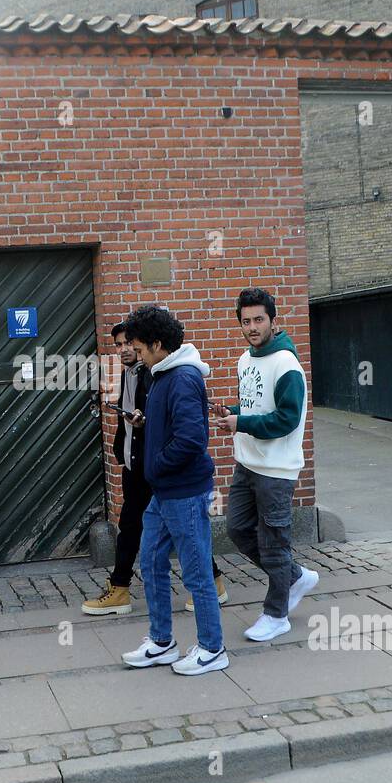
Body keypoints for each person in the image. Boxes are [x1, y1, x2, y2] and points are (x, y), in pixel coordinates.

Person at [83, 322, 225, 616]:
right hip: (138, 466)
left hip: (158, 468)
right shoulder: (130, 376)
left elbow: (183, 433)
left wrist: (151, 448)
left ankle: (209, 591)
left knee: (182, 533)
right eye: (119, 345)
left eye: (130, 345)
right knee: (138, 530)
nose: (124, 350)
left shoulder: (162, 377)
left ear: (150, 345)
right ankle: (125, 590)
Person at [119, 306, 227, 675]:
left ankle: (213, 649)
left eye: (140, 347)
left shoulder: (181, 377)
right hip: (163, 493)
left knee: (196, 572)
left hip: (184, 492)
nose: (136, 354)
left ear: (158, 344)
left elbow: (192, 440)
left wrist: (156, 464)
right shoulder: (162, 374)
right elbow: (174, 428)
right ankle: (162, 642)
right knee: (150, 561)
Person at [213, 288, 319, 642]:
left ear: (274, 321)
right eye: (246, 321)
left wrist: (241, 425)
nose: (252, 327)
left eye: (259, 319)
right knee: (238, 530)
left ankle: (277, 615)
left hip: (276, 470)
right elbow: (258, 408)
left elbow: (287, 420)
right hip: (247, 463)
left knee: (273, 543)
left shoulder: (287, 365)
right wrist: (235, 413)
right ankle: (295, 577)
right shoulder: (246, 359)